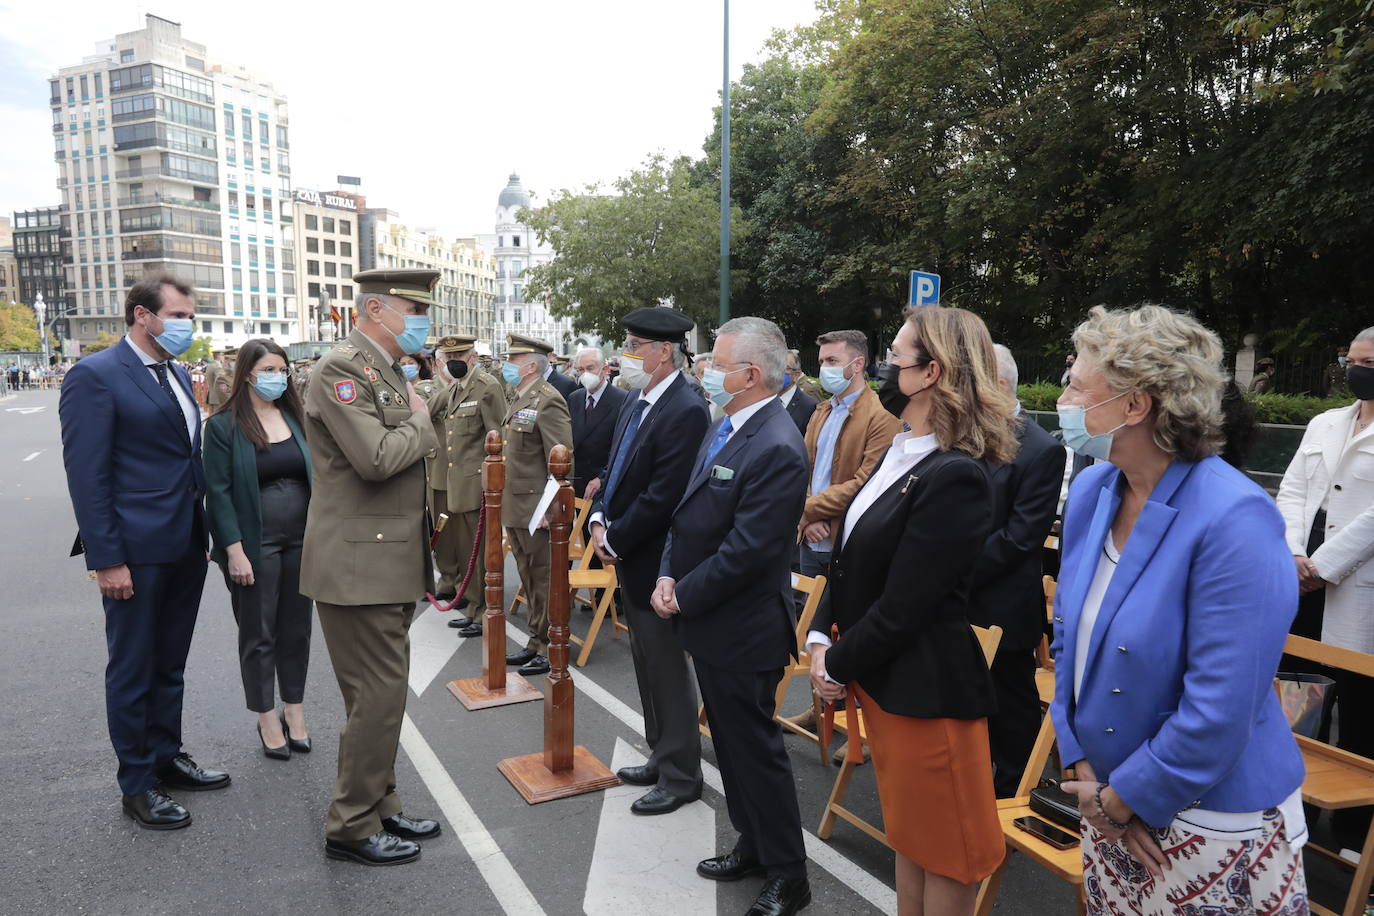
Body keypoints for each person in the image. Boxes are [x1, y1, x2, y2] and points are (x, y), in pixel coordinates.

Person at [1053, 305, 1307, 913]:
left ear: (1135, 405)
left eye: (1076, 384)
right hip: (1106, 800)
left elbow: (1219, 709)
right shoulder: (1093, 490)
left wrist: (1122, 800)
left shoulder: (1234, 517)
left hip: (1212, 822)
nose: (1062, 397)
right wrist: (1085, 770)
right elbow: (1067, 642)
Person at [808, 307, 1013, 915]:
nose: (886, 363)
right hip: (888, 682)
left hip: (930, 694)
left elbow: (907, 606)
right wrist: (821, 631)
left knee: (948, 852)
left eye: (897, 354)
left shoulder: (955, 474)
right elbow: (849, 562)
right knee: (911, 839)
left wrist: (835, 663)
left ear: (934, 372)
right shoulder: (903, 447)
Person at [58, 273, 230, 831]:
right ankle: (137, 782)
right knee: (133, 665)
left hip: (183, 542)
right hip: (132, 547)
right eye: (178, 315)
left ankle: (165, 754)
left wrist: (201, 532)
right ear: (142, 315)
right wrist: (106, 558)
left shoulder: (177, 373)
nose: (187, 326)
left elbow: (185, 457)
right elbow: (88, 476)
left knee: (169, 660)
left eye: (190, 316)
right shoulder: (95, 375)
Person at [654, 316, 811, 916]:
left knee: (756, 751)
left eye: (716, 363)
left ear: (749, 374)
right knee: (730, 744)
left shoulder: (776, 445)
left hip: (743, 628)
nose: (705, 372)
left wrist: (683, 591)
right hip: (708, 616)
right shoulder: (727, 425)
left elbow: (747, 552)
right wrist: (669, 573)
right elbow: (687, 513)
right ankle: (754, 844)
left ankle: (789, 873)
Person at [299, 269, 443, 867]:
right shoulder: (341, 368)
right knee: (376, 698)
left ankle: (381, 803)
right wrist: (421, 419)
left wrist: (412, 409)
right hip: (359, 563)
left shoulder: (384, 368)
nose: (422, 322)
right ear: (376, 308)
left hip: (384, 558)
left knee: (379, 698)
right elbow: (377, 458)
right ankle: (351, 824)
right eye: (414, 309)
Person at [587, 308, 709, 816]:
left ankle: (682, 774)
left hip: (654, 555)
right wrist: (597, 517)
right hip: (625, 550)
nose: (627, 354)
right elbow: (611, 471)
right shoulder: (637, 400)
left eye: (636, 344)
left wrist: (617, 536)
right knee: (645, 665)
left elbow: (664, 495)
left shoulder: (685, 407)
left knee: (666, 669)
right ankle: (661, 754)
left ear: (664, 351)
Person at [1276, 325, 1374, 854]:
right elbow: (1292, 489)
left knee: (1360, 706)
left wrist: (1322, 565)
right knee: (1297, 694)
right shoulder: (1324, 422)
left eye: (1368, 362)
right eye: (1350, 358)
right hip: (1300, 580)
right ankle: (1291, 806)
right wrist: (1293, 553)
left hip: (1355, 586)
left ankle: (1356, 832)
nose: (1355, 370)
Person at [203, 338, 314, 760]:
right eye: (268, 369)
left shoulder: (295, 417)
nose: (277, 377)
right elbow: (219, 493)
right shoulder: (223, 426)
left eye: (282, 370)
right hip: (254, 545)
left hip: (302, 540)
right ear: (247, 373)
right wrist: (233, 550)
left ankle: (295, 708)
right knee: (258, 634)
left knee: (297, 629)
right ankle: (266, 715)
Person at [966, 344, 1063, 798]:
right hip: (957, 601)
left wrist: (950, 565)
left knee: (1010, 710)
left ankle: (1013, 796)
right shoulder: (966, 434)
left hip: (1002, 605)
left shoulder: (1041, 449)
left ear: (1000, 386)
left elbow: (1020, 538)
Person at [500, 334, 574, 677]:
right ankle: (534, 640)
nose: (507, 366)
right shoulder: (519, 397)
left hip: (537, 509)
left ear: (530, 365)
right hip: (515, 505)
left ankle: (550, 645)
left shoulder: (548, 400)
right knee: (528, 576)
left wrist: (551, 507)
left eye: (512, 360)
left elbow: (561, 459)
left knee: (545, 578)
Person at [426, 335, 506, 629]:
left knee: (482, 550)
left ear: (473, 356)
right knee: (467, 550)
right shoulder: (456, 388)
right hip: (457, 483)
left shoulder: (487, 387)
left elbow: (498, 437)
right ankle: (473, 605)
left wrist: (495, 482)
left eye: (459, 354)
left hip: (477, 485)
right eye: (448, 357)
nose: (454, 361)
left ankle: (486, 610)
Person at [568, 347, 629, 500]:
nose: (585, 374)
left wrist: (603, 478)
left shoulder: (623, 400)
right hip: (578, 484)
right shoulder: (574, 398)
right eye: (581, 369)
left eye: (590, 368)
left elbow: (623, 447)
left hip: (605, 484)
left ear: (605, 369)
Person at [780, 349, 818, 436]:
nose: (777, 371)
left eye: (785, 368)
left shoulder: (810, 406)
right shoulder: (764, 400)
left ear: (796, 375)